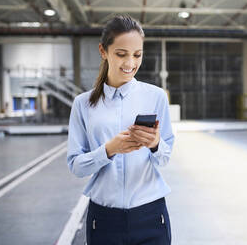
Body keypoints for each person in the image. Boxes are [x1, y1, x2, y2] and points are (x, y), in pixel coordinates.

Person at [67, 15, 174, 245]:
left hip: (151, 216)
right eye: (121, 54)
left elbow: (165, 158)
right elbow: (75, 166)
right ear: (103, 51)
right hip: (104, 220)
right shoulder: (83, 104)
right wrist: (108, 150)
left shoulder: (155, 97)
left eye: (137, 55)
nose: (130, 64)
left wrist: (155, 144)